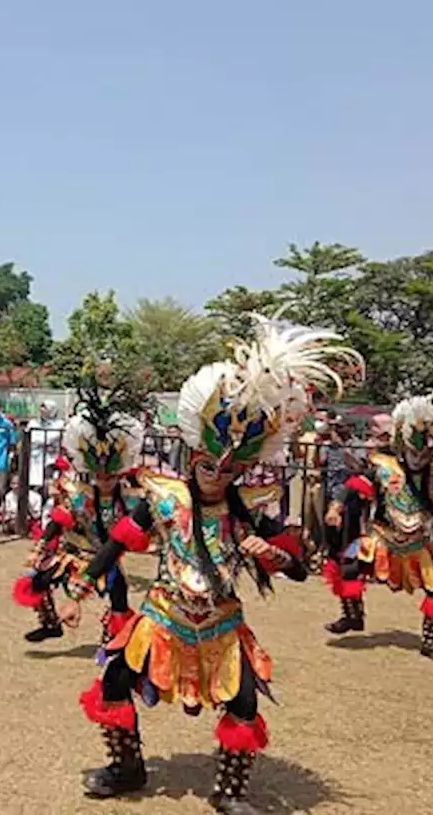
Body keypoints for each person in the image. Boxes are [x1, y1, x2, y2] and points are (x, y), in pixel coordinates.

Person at [60, 318, 356, 813]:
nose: (216, 477)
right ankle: (127, 769)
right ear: (195, 454)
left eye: (227, 471)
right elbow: (116, 544)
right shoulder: (162, 498)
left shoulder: (253, 508)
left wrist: (278, 556)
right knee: (113, 683)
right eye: (208, 466)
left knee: (243, 703)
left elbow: (300, 568)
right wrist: (78, 592)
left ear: (241, 468)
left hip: (221, 625)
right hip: (161, 618)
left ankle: (230, 793)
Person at [323, 372, 433, 665]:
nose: (420, 456)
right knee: (349, 564)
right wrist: (335, 508)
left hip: (416, 543)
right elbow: (354, 486)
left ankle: (431, 642)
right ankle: (352, 617)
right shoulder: (382, 465)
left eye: (426, 452)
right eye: (415, 450)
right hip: (380, 537)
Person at [12, 380, 146, 646]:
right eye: (100, 475)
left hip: (105, 558)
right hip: (72, 553)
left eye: (110, 476)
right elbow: (58, 522)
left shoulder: (131, 500)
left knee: (118, 597)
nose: (105, 480)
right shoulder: (77, 493)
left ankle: (114, 641)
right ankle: (50, 624)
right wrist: (41, 549)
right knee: (38, 581)